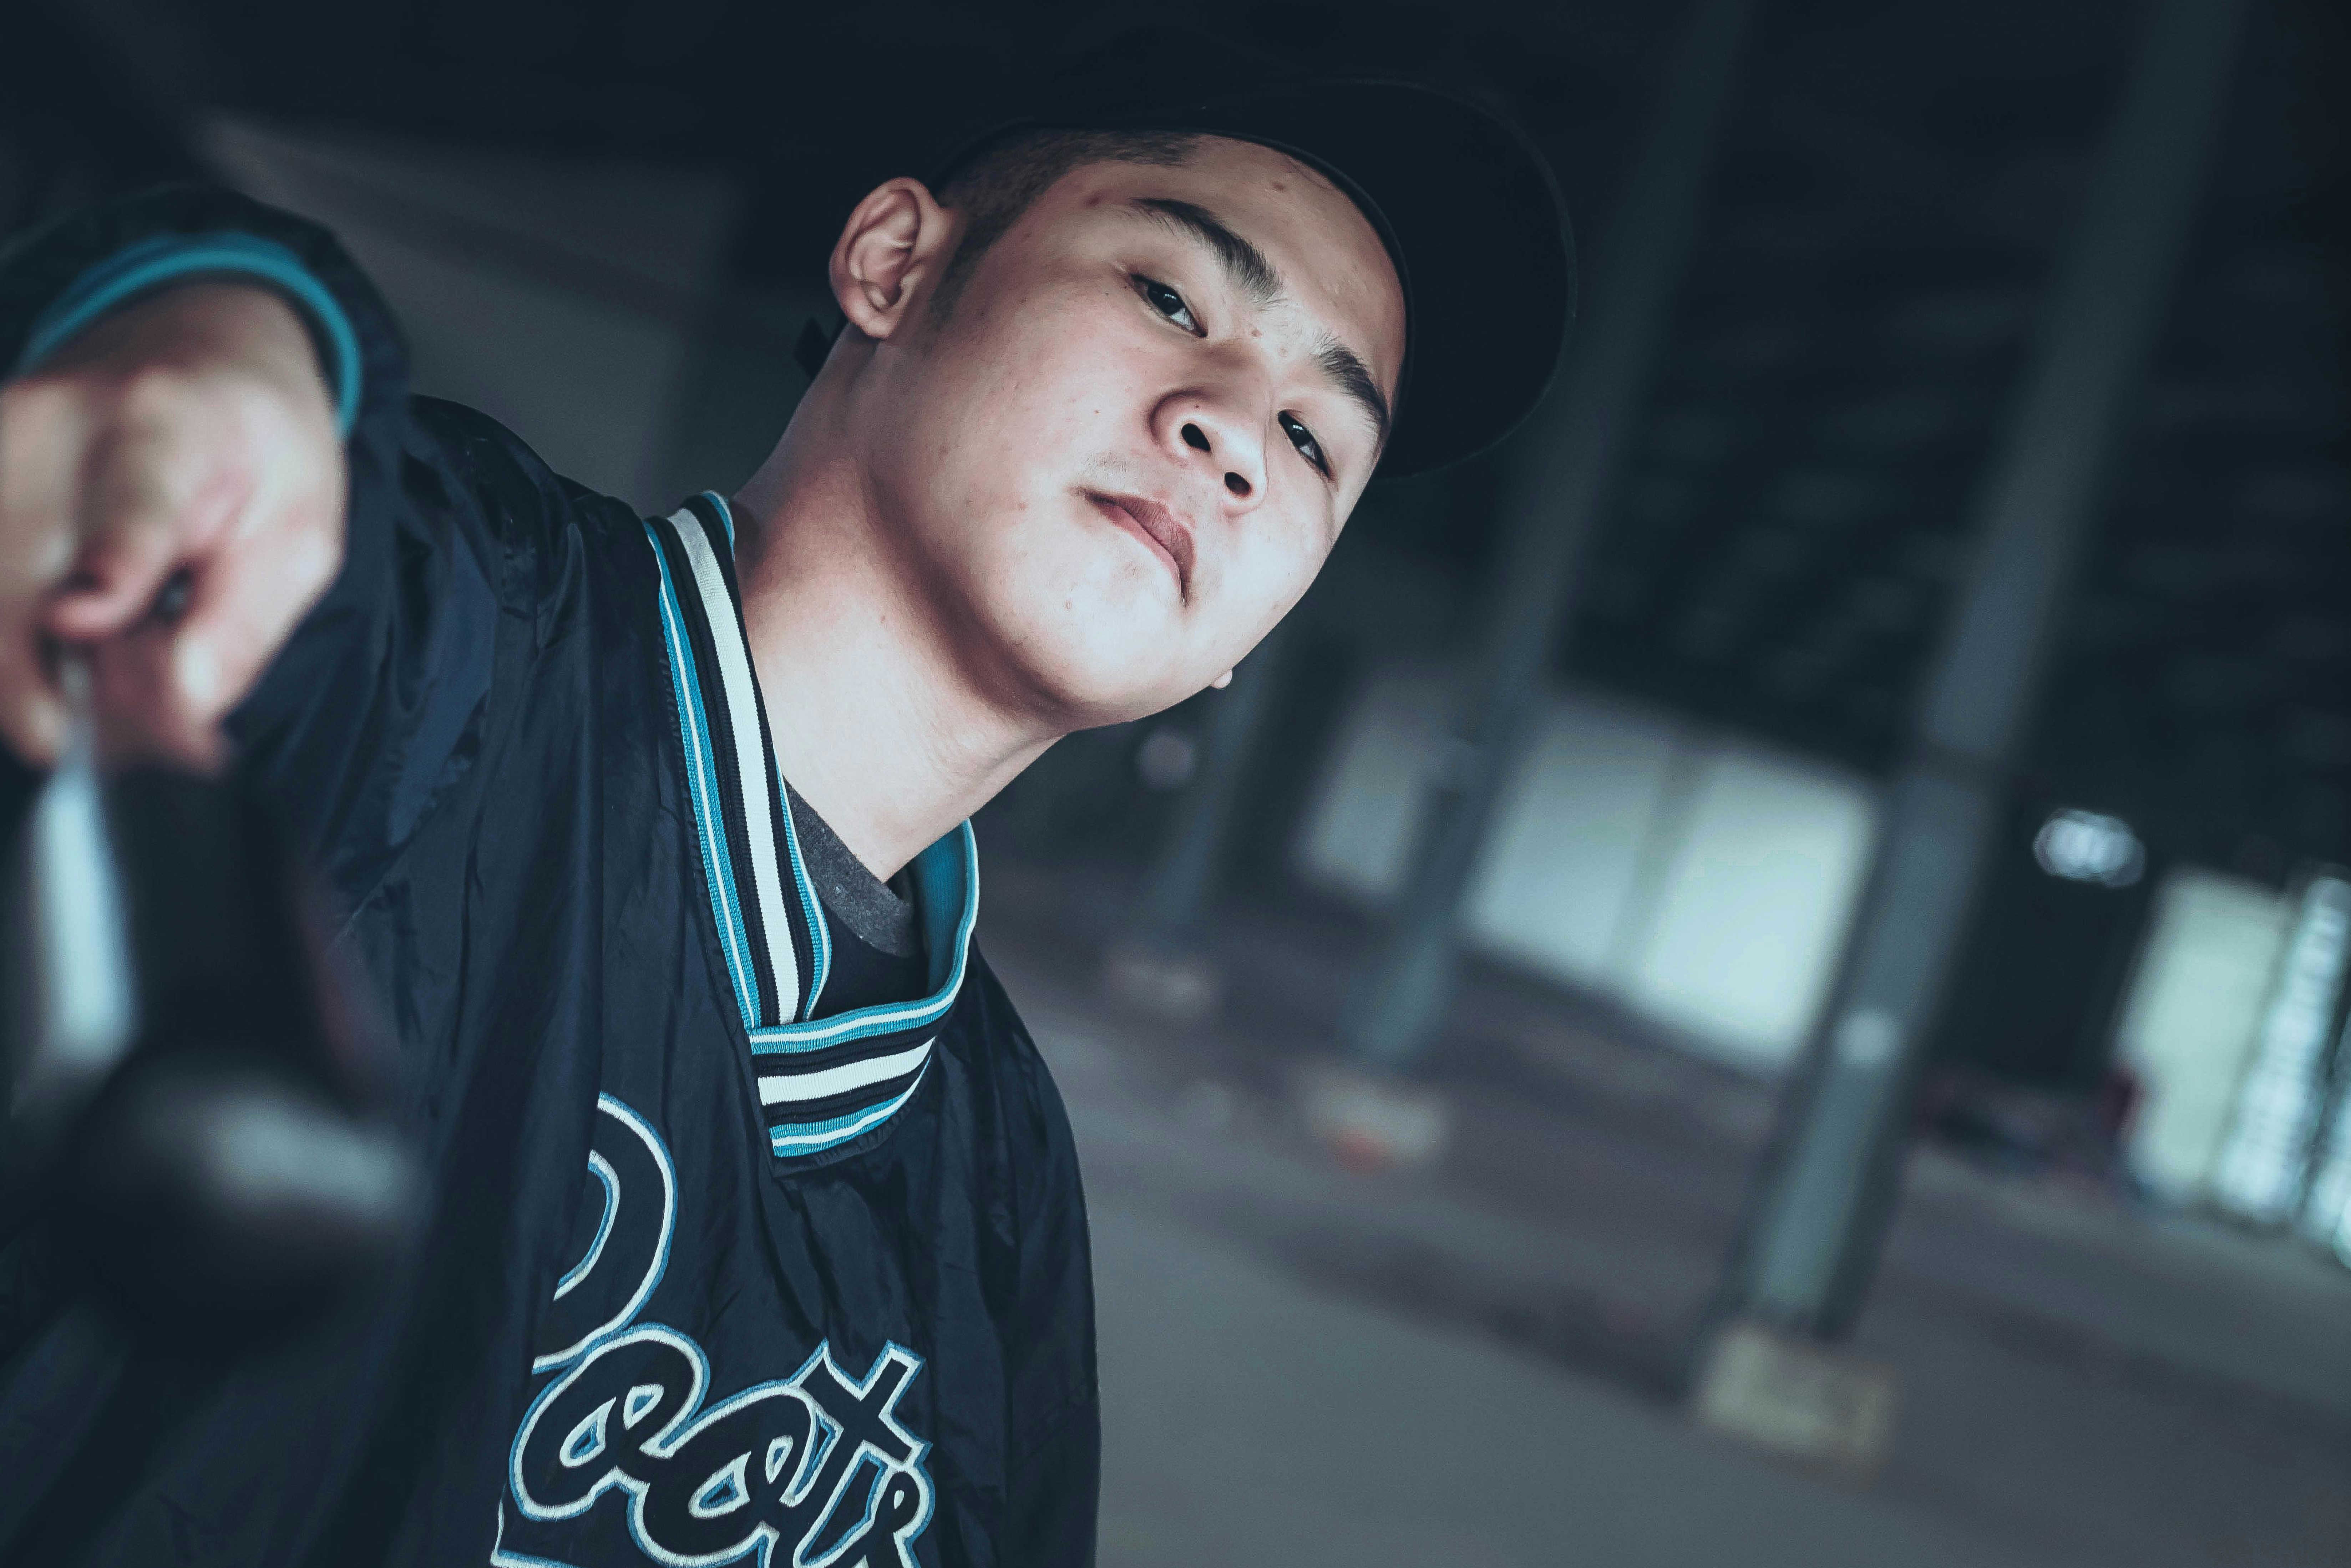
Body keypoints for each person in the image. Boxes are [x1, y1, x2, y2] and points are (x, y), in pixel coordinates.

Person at [0, 31, 1570, 1568]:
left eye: (1313, 438)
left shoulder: (1002, 1176)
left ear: (1256, 635)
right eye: (1171, 296)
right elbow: (217, 437)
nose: (1233, 435)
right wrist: (211, 309)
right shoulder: (442, 635)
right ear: (894, 264)